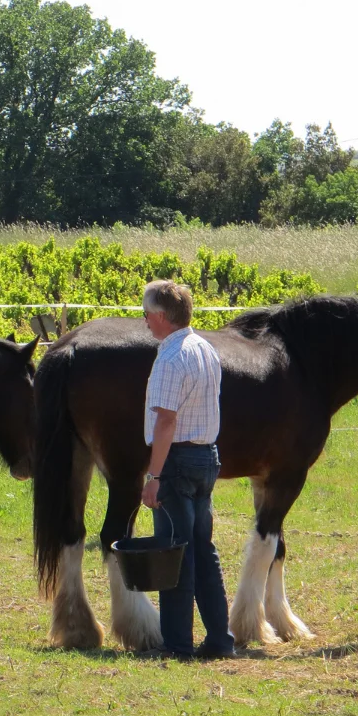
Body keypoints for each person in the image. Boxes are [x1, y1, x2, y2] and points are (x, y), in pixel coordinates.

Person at [139, 279, 236, 660]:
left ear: (161, 316)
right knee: (202, 549)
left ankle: (177, 644)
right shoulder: (205, 349)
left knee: (174, 553)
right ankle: (219, 639)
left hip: (177, 463)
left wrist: (154, 476)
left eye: (147, 313)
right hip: (206, 458)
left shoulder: (169, 358)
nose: (144, 320)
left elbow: (165, 422)